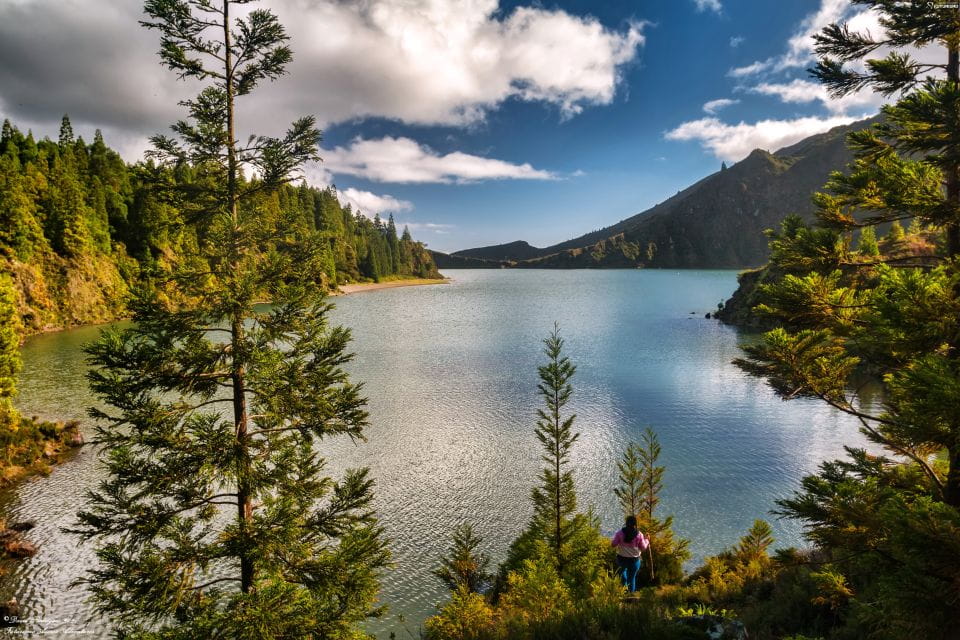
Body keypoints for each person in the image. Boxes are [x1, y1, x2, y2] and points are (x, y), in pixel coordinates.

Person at [610, 515, 649, 592]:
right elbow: (643, 548)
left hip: (621, 559)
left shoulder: (620, 533)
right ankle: (631, 596)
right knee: (632, 578)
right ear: (635, 524)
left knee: (623, 575)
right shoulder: (639, 535)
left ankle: (623, 592)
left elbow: (613, 544)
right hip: (634, 560)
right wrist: (647, 540)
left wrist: (616, 539)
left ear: (626, 523)